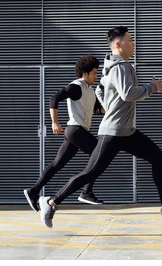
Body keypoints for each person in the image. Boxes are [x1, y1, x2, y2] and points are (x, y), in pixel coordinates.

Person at [38, 26, 162, 228]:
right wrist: (153, 87)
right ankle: (51, 202)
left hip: (127, 131)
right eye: (130, 40)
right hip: (113, 132)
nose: (133, 43)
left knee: (158, 157)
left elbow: (103, 92)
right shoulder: (120, 67)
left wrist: (111, 104)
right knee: (90, 172)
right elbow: (128, 93)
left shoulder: (112, 67)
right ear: (119, 44)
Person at [23, 54, 105, 212]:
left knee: (56, 164)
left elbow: (96, 110)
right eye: (94, 72)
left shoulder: (89, 90)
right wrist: (54, 122)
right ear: (85, 73)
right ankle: (86, 191)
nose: (96, 75)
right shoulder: (76, 86)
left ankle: (33, 191)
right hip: (76, 130)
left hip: (77, 133)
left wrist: (108, 109)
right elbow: (55, 98)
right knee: (100, 155)